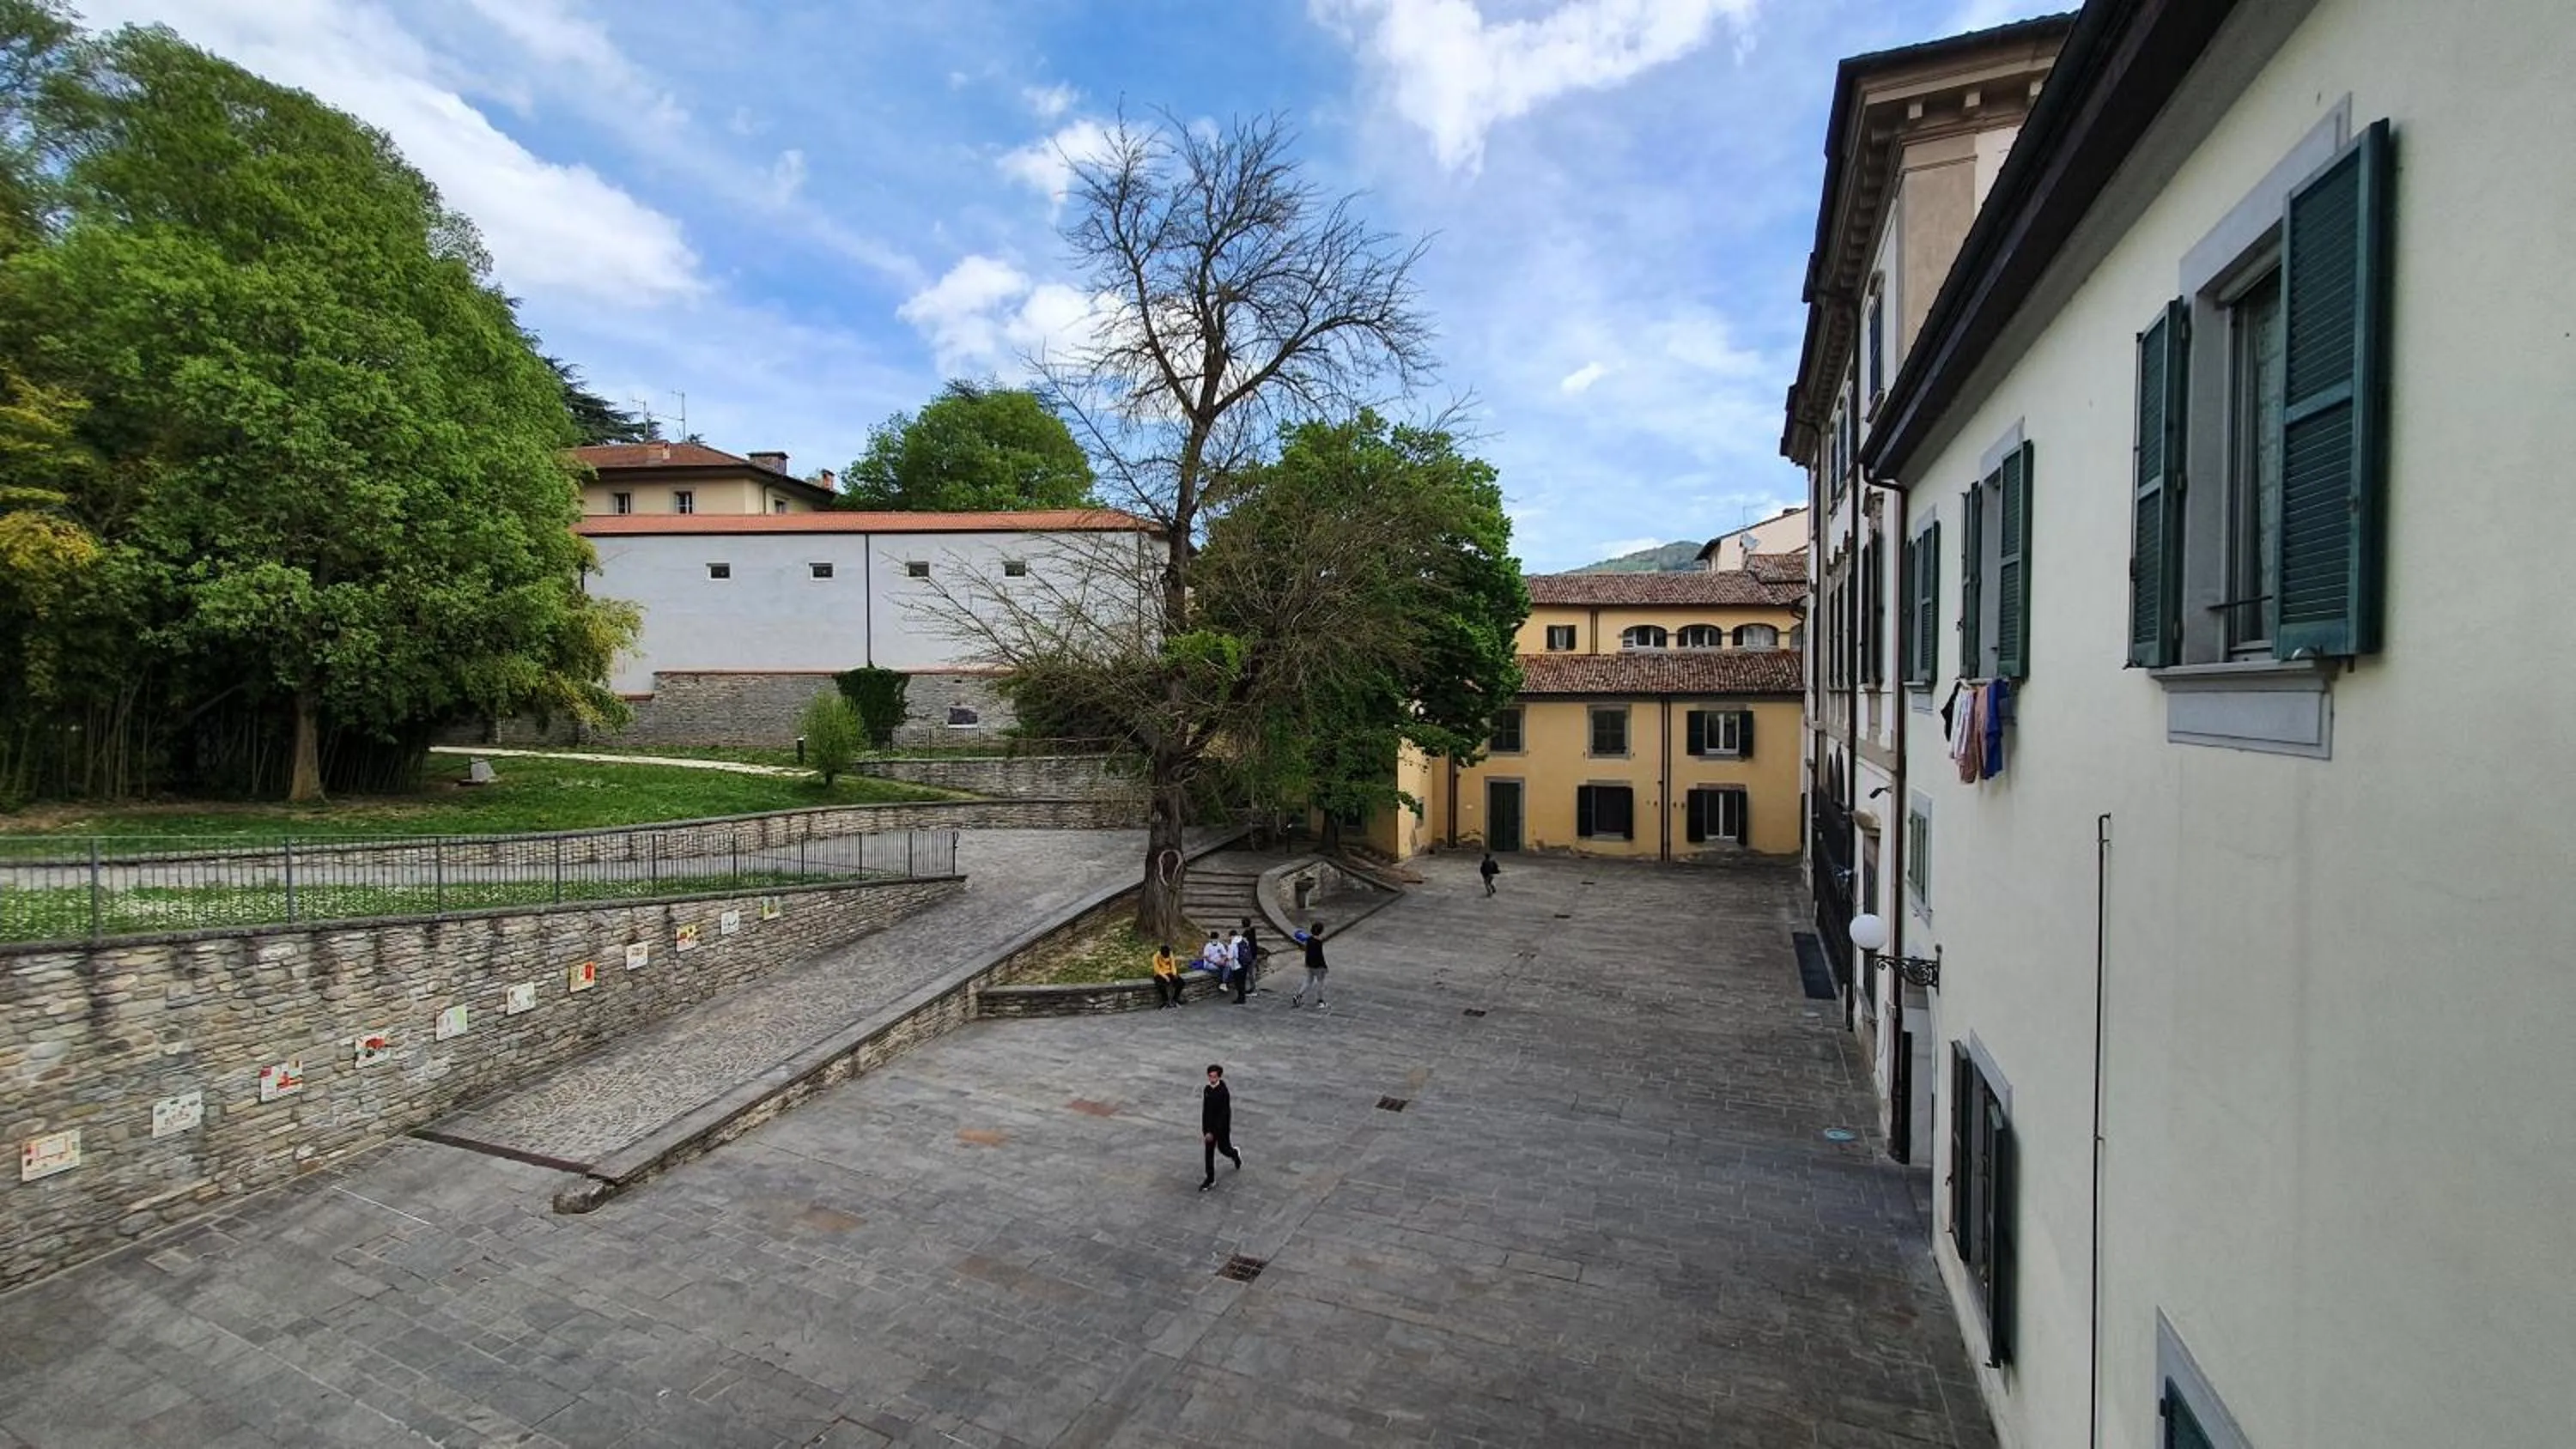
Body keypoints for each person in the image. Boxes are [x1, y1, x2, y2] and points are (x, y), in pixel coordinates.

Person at [1200, 1064, 1242, 1191]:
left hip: (1221, 1129)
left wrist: (1214, 1132)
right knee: (1209, 1154)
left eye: (1214, 1077)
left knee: (1224, 1149)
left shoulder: (1223, 1092)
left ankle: (1234, 1154)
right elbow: (1205, 1111)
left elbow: (1224, 1114)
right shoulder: (1207, 1089)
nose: (1211, 1079)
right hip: (1209, 1130)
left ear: (1219, 1077)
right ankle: (1210, 1178)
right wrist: (1206, 1130)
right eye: (1210, 1076)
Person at [1290, 921, 1329, 1008]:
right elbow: (1320, 956)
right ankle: (1320, 1001)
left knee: (1308, 981)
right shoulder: (1319, 942)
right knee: (1320, 982)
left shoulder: (1308, 940)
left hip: (1309, 964)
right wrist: (1324, 966)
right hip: (1318, 966)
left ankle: (1298, 996)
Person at [1151, 943, 1182, 1008]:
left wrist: (1174, 974)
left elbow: (1173, 966)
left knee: (1181, 983)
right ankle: (1165, 1001)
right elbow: (1157, 970)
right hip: (1159, 973)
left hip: (1169, 972)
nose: (1166, 959)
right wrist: (1165, 977)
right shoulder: (1155, 957)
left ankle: (1175, 1000)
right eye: (1165, 957)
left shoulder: (1170, 954)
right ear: (1161, 954)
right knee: (1161, 985)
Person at [1230, 930, 1255, 1004]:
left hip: (1237, 966)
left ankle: (1240, 999)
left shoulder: (1233, 943)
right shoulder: (1244, 940)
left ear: (1231, 936)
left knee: (1238, 983)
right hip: (1245, 964)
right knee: (1243, 982)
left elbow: (1230, 956)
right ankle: (1243, 998)